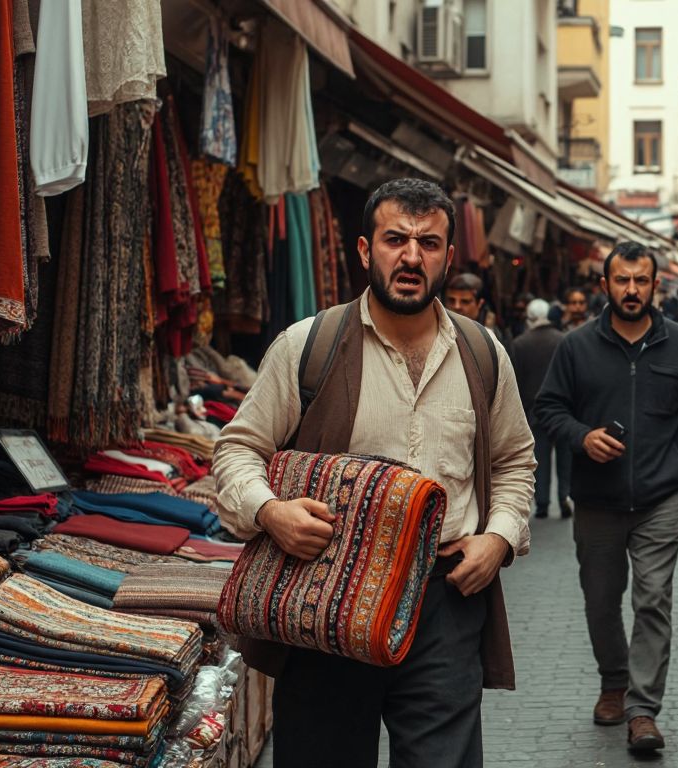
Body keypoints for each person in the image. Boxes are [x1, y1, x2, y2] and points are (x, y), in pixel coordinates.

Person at [213, 178, 537, 768]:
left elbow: (515, 460)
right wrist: (271, 512)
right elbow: (237, 451)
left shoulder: (483, 353)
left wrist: (500, 537)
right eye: (396, 239)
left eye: (429, 243)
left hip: (445, 598)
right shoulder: (307, 346)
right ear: (365, 250)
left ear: (447, 254)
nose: (412, 257)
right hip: (327, 599)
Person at [534, 242, 678, 754]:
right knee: (600, 600)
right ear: (605, 285)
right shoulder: (575, 346)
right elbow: (548, 408)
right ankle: (613, 680)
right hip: (595, 499)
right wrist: (580, 438)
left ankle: (641, 709)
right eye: (622, 281)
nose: (632, 290)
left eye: (641, 281)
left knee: (653, 598)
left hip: (661, 497)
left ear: (655, 285)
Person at [509, 298, 573, 519]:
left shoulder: (520, 344)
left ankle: (543, 503)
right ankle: (565, 495)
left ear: (530, 317)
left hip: (535, 412)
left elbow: (516, 381)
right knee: (565, 457)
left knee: (540, 459)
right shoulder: (563, 340)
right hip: (564, 410)